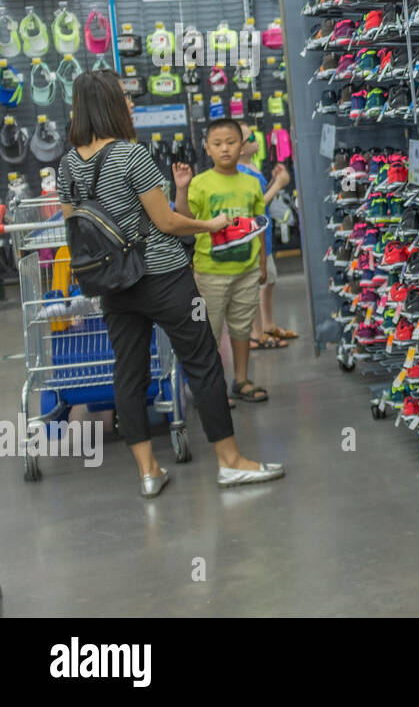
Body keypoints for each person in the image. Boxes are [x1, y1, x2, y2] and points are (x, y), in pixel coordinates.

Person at [57, 70, 283, 497]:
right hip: (163, 277)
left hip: (112, 284)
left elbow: (74, 225)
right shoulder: (130, 154)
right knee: (202, 361)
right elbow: (167, 223)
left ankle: (147, 471)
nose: (130, 103)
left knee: (129, 372)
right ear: (108, 104)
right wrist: (209, 223)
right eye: (124, 97)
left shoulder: (66, 164)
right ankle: (230, 462)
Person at [174, 118, 269, 403]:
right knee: (209, 331)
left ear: (242, 146)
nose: (225, 148)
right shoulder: (200, 183)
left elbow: (258, 226)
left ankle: (241, 380)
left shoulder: (252, 184)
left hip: (246, 269)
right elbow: (184, 218)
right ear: (207, 149)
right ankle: (211, 386)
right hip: (210, 273)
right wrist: (181, 187)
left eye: (231, 142)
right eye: (217, 144)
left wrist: (262, 263)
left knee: (241, 328)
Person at [236, 121, 295, 349]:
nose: (256, 141)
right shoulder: (241, 172)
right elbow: (255, 204)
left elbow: (260, 195)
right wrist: (279, 184)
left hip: (265, 235)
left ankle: (268, 325)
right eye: (251, 138)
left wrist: (273, 181)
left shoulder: (251, 167)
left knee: (269, 280)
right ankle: (256, 334)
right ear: (240, 148)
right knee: (257, 283)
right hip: (255, 238)